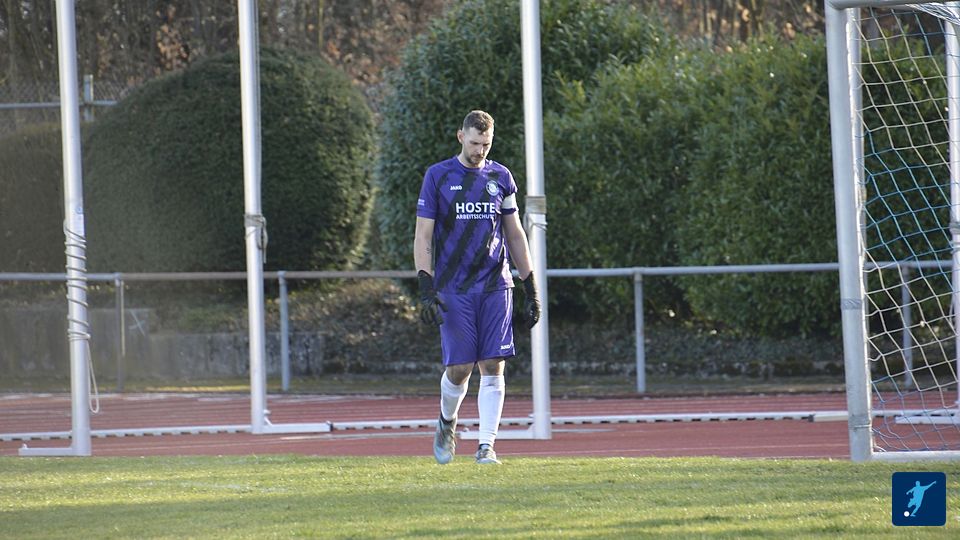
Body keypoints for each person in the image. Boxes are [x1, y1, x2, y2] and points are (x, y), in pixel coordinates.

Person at [413, 109, 541, 465]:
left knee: (493, 364)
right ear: (460, 137)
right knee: (460, 368)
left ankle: (486, 445)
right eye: (473, 143)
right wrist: (425, 286)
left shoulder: (501, 176)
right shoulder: (438, 176)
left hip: (495, 285)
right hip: (454, 287)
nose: (479, 151)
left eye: (486, 144)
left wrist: (530, 287)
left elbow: (515, 233)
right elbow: (423, 235)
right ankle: (447, 421)